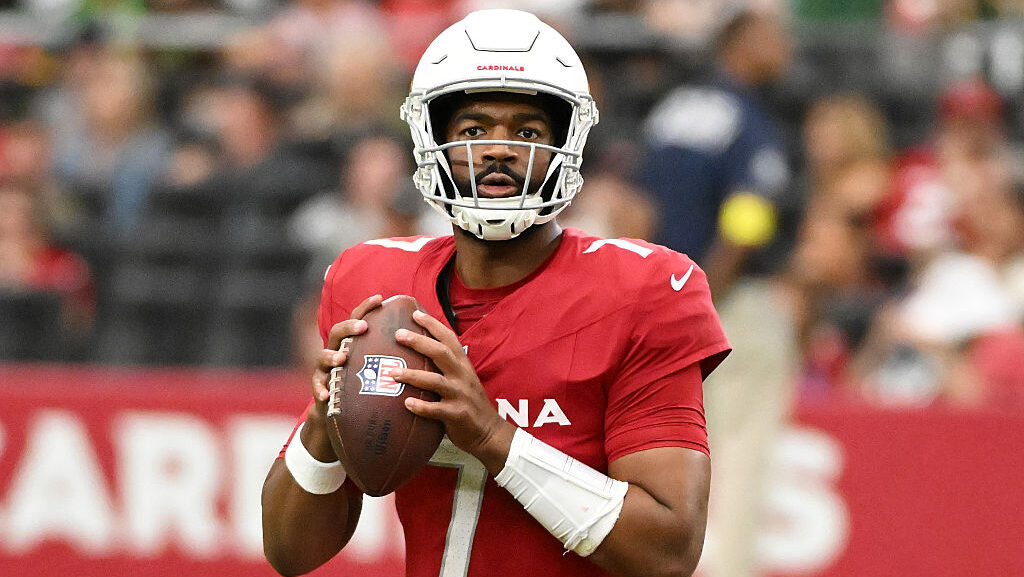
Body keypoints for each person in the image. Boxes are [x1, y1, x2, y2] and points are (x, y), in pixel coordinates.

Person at [262, 9, 730, 577]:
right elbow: (290, 554)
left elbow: (670, 549)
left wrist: (492, 436)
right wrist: (324, 419)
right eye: (473, 130)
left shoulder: (646, 291)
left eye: (528, 132)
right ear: (433, 139)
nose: (499, 150)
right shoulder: (372, 282)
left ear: (568, 143)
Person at [639, 10, 798, 577]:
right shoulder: (749, 116)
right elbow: (748, 219)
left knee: (668, 458)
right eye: (772, 32)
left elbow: (637, 205)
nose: (784, 45)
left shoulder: (671, 110)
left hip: (660, 304)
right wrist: (702, 299)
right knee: (740, 460)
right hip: (728, 306)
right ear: (738, 39)